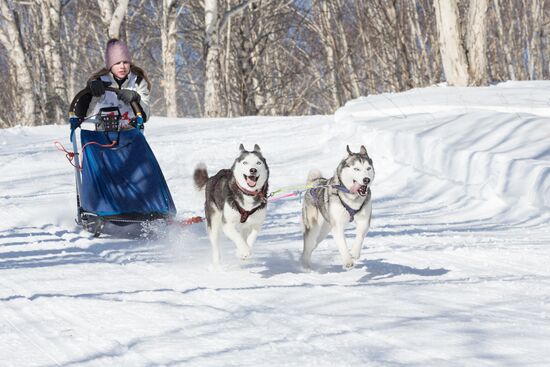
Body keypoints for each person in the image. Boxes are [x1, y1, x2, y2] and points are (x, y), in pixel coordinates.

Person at [86, 38, 151, 128]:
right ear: (110, 65)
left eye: (125, 62)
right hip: (103, 136)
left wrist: (136, 98)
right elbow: (84, 114)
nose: (122, 67)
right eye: (117, 63)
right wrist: (90, 93)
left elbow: (145, 117)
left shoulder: (138, 82)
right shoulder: (99, 81)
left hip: (131, 135)